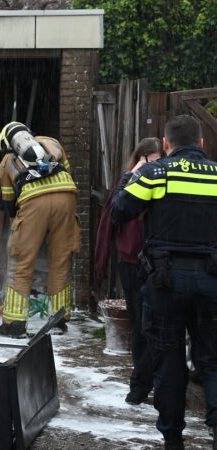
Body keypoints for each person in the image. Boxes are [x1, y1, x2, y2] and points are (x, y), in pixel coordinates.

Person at [112, 115, 217, 449]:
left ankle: (173, 437)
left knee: (168, 360)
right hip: (212, 282)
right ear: (202, 144)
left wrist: (133, 178)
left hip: (165, 282)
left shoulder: (155, 172)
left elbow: (119, 211)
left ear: (167, 145)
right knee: (213, 360)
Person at [95, 137, 164, 405]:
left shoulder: (161, 180)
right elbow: (112, 219)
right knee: (139, 325)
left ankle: (157, 383)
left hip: (157, 261)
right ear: (143, 158)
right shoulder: (129, 182)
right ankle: (141, 383)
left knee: (158, 326)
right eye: (156, 160)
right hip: (133, 262)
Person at [0, 122, 80, 337]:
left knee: (21, 262)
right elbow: (67, 172)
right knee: (61, 259)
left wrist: (19, 228)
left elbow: (8, 201)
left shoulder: (7, 161)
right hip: (66, 198)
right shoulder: (52, 143)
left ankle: (13, 324)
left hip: (33, 203)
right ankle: (60, 318)